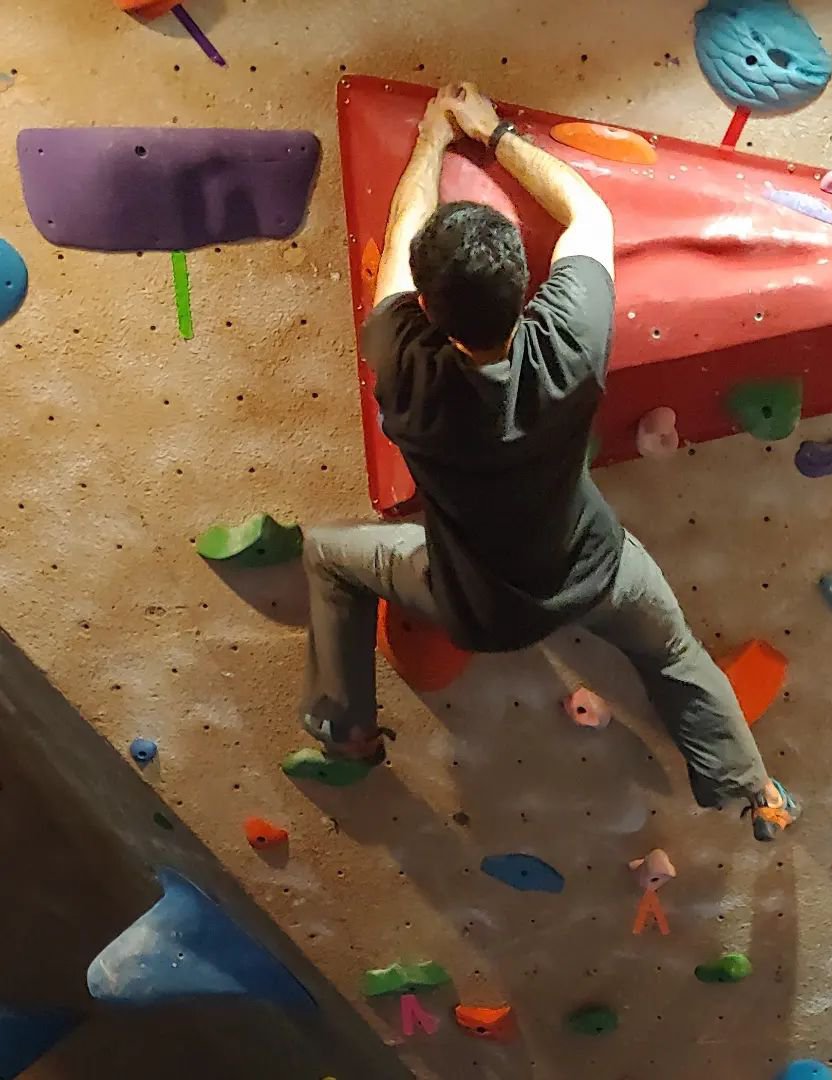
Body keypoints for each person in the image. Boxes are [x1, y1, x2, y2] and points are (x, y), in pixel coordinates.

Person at [300, 82, 800, 841]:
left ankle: (349, 735)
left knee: (327, 554)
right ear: (527, 287)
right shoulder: (570, 338)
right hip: (598, 569)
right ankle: (755, 792)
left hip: (477, 607)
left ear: (427, 311)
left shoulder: (405, 367)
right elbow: (588, 213)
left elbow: (399, 245)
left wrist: (432, 139)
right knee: (673, 652)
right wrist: (493, 131)